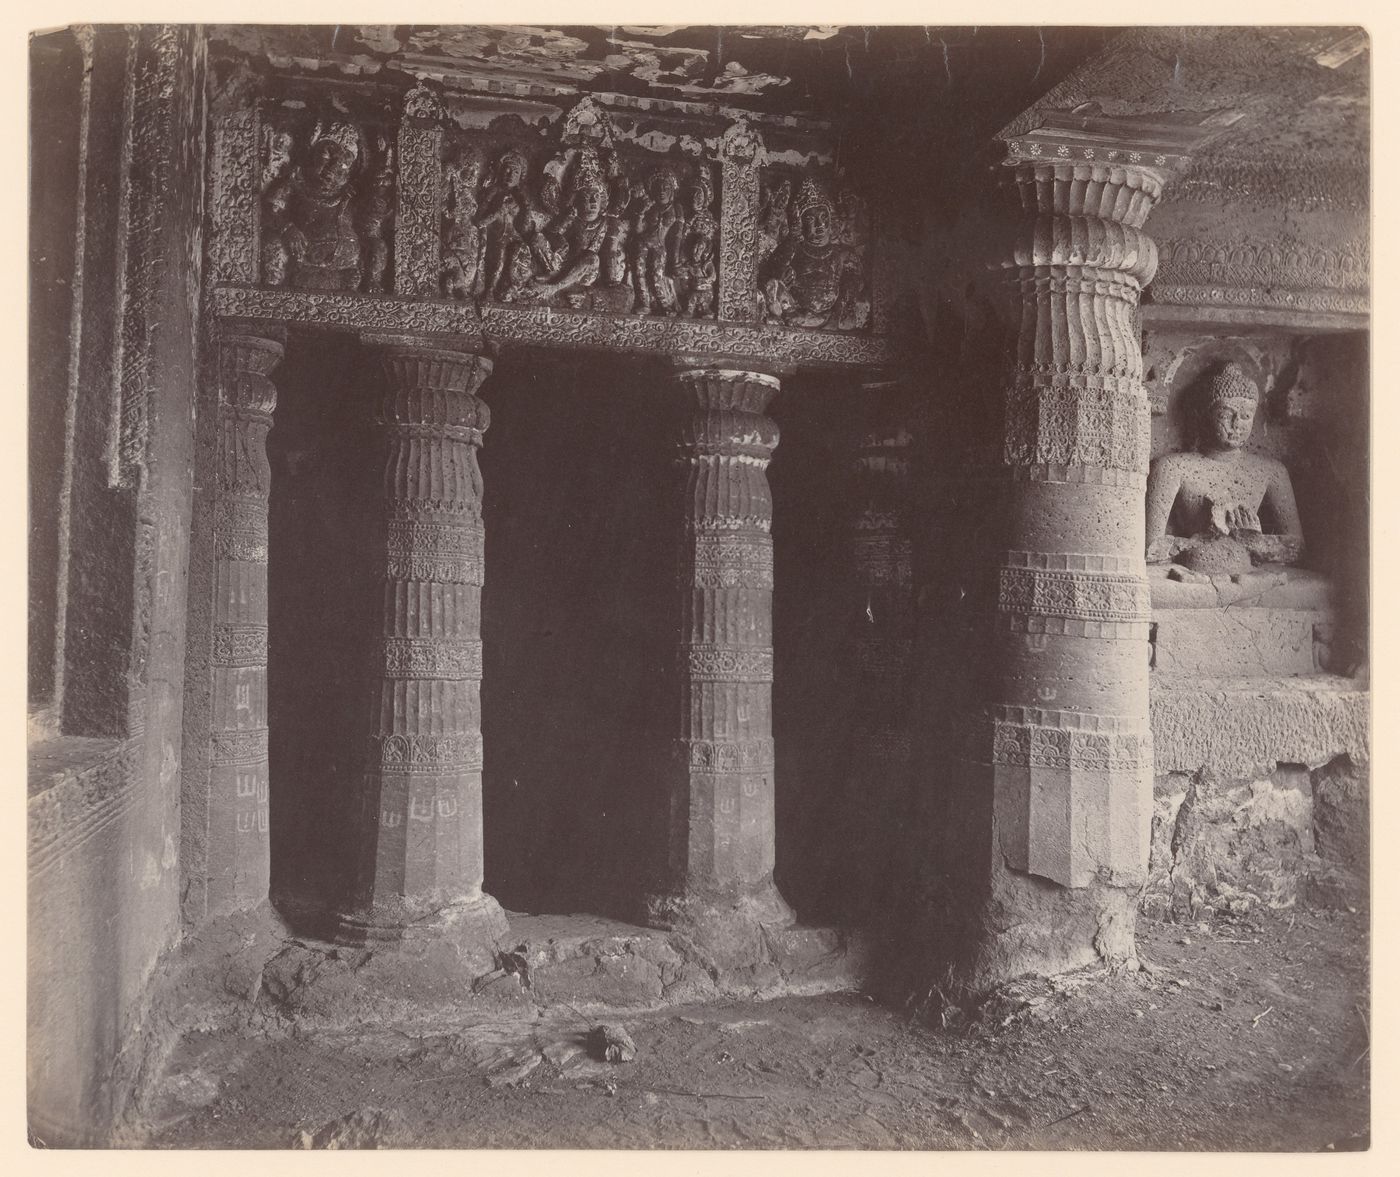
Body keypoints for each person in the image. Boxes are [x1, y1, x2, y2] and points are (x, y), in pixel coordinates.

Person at [1145, 361, 1304, 573]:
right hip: (1193, 572)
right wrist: (1207, 536)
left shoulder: (1271, 471)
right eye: (1226, 414)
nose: (1236, 424)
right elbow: (1150, 547)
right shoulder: (1172, 468)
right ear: (1205, 416)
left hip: (1246, 569)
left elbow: (1298, 549)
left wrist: (1254, 540)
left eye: (1246, 416)